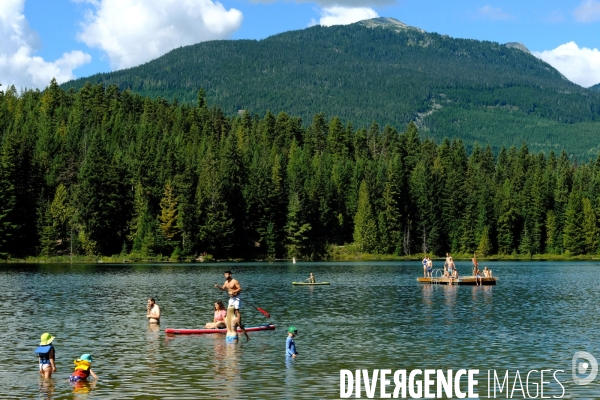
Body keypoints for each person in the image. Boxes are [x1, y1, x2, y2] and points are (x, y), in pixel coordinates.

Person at [215, 271, 249, 341]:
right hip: (231, 298)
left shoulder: (235, 281)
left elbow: (240, 288)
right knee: (229, 310)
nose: (225, 276)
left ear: (230, 275)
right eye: (225, 274)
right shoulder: (226, 282)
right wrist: (218, 286)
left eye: (227, 274)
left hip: (237, 297)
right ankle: (231, 323)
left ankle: (238, 322)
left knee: (236, 310)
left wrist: (234, 292)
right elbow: (223, 288)